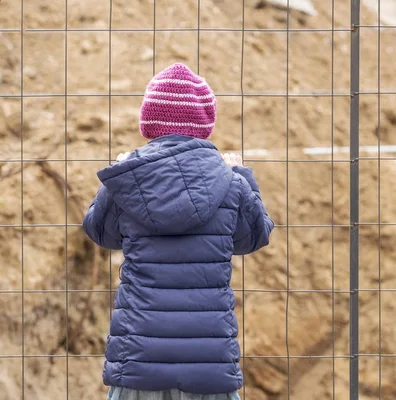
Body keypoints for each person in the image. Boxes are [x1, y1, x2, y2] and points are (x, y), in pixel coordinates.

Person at [83, 63, 274, 400]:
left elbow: (101, 232)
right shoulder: (230, 183)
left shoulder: (131, 179)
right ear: (205, 125)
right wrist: (243, 176)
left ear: (148, 122)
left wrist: (120, 175)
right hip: (209, 362)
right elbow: (254, 236)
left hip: (139, 356)